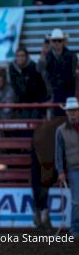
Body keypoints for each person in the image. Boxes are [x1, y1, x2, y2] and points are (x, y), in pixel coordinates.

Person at [55, 97, 79, 239]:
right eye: (70, 111)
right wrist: (61, 171)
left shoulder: (62, 130)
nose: (73, 113)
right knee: (76, 201)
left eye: (75, 110)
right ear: (67, 113)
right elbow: (58, 153)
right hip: (73, 168)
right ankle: (75, 229)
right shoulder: (61, 130)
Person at [44, 28, 78, 116]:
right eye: (54, 41)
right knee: (57, 117)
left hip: (68, 92)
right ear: (51, 42)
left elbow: (71, 74)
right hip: (55, 92)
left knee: (69, 117)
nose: (57, 43)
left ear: (63, 42)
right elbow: (42, 71)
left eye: (59, 40)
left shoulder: (71, 56)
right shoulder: (47, 56)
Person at [8, 47, 48, 119]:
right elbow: (14, 86)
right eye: (18, 56)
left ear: (26, 57)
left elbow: (40, 86)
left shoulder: (33, 67)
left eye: (22, 56)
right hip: (20, 103)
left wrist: (39, 102)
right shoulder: (12, 68)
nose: (20, 58)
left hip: (34, 102)